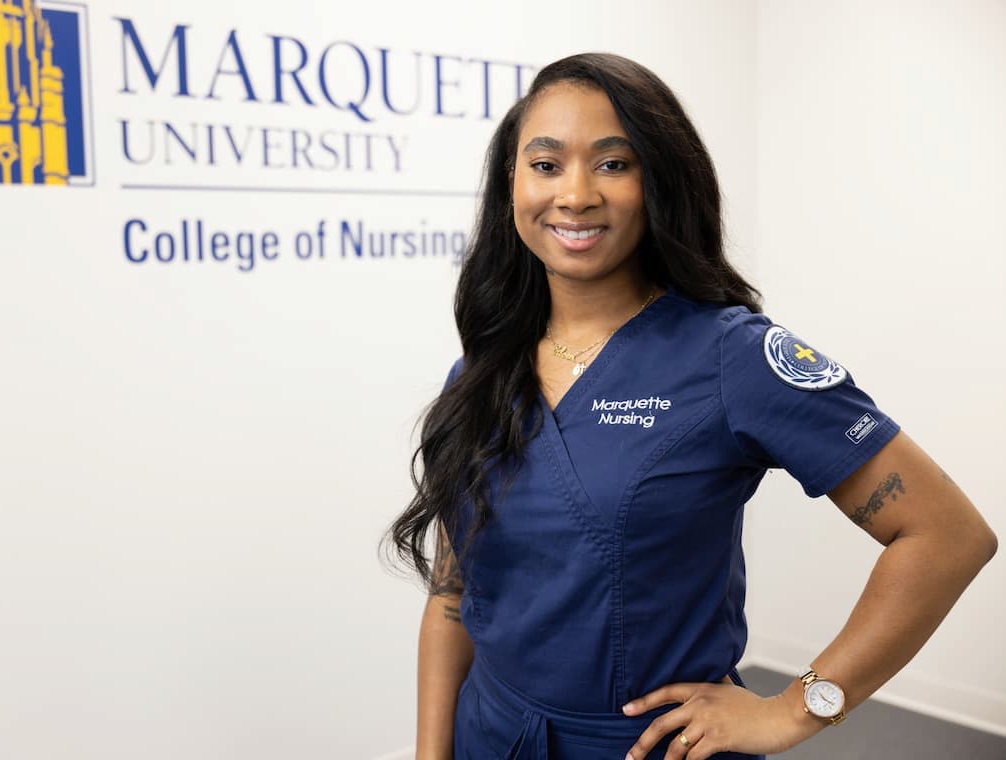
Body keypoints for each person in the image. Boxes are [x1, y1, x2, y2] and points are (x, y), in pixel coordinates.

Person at [384, 53, 996, 760]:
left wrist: (799, 708)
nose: (575, 195)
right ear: (510, 185)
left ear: (660, 180)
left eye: (613, 164)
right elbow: (453, 599)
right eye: (546, 164)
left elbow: (947, 536)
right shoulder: (482, 370)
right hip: (489, 735)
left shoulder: (731, 356)